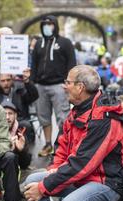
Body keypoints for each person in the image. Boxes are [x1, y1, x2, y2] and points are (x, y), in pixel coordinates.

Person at [22, 65, 123, 201]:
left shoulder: (104, 118)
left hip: (106, 183)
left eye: (68, 82)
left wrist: (45, 187)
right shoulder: (77, 111)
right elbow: (62, 146)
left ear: (80, 87)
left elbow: (82, 165)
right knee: (31, 181)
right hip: (81, 178)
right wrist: (54, 169)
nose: (64, 86)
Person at [31, 15, 76, 157]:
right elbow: (34, 64)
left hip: (59, 85)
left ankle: (63, 145)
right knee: (43, 117)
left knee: (63, 117)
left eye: (50, 24)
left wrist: (69, 84)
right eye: (45, 24)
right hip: (41, 86)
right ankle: (48, 144)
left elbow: (71, 63)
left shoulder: (65, 43)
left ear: (55, 26)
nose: (47, 27)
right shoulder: (38, 43)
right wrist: (32, 82)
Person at [1, 100, 32, 170]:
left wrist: (21, 151)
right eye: (4, 114)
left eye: (10, 113)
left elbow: (25, 164)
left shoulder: (20, 131)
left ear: (15, 115)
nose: (7, 117)